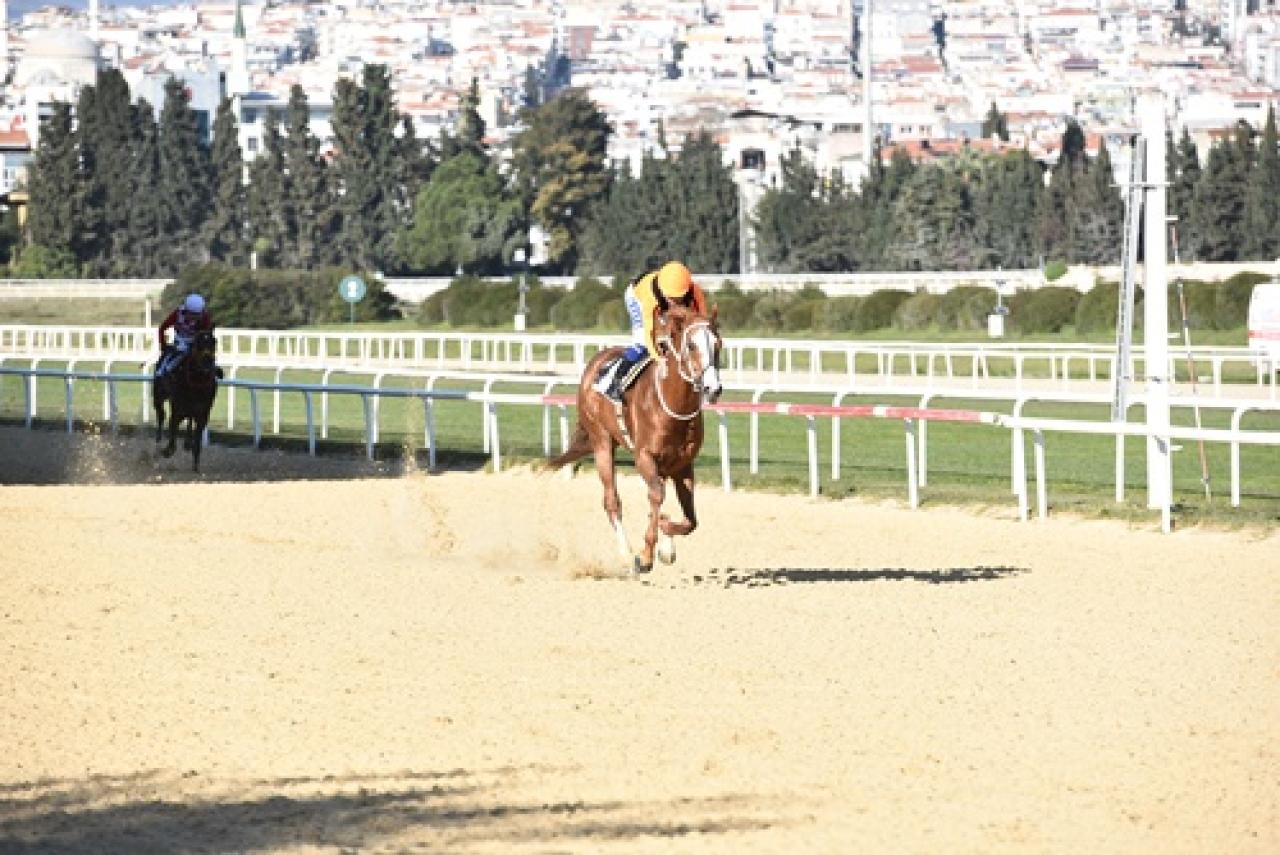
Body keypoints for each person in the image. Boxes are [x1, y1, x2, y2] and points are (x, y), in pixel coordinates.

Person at [594, 260, 707, 403]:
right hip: (636, 297)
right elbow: (648, 333)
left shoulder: (695, 291)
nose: (674, 301)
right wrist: (659, 359)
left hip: (657, 292)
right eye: (671, 297)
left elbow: (702, 323)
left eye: (678, 298)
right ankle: (611, 378)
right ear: (663, 291)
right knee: (643, 344)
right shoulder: (651, 298)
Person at [156, 292, 216, 379]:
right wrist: (163, 344)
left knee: (206, 353)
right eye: (192, 314)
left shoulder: (205, 316)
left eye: (197, 315)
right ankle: (163, 370)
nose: (195, 317)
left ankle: (214, 369)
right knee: (181, 351)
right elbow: (163, 328)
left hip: (197, 341)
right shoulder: (177, 313)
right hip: (181, 340)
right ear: (187, 310)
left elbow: (206, 334)